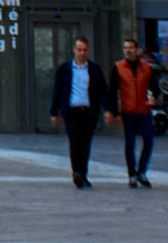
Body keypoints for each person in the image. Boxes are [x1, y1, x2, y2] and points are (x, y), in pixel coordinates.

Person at [48, 36, 114, 188]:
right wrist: (54, 113)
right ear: (74, 50)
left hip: (89, 112)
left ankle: (83, 173)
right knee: (75, 140)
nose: (82, 53)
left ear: (88, 51)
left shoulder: (94, 70)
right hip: (71, 111)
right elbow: (57, 92)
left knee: (85, 143)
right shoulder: (64, 70)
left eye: (84, 50)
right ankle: (76, 172)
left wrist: (108, 109)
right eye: (79, 50)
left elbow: (103, 90)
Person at [114, 38, 156, 187]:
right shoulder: (118, 67)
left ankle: (142, 171)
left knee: (149, 141)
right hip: (128, 110)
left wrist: (153, 98)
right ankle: (132, 174)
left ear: (137, 50)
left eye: (131, 47)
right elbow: (113, 90)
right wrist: (115, 112)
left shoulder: (147, 67)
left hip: (144, 110)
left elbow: (154, 87)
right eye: (125, 48)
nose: (128, 50)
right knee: (130, 143)